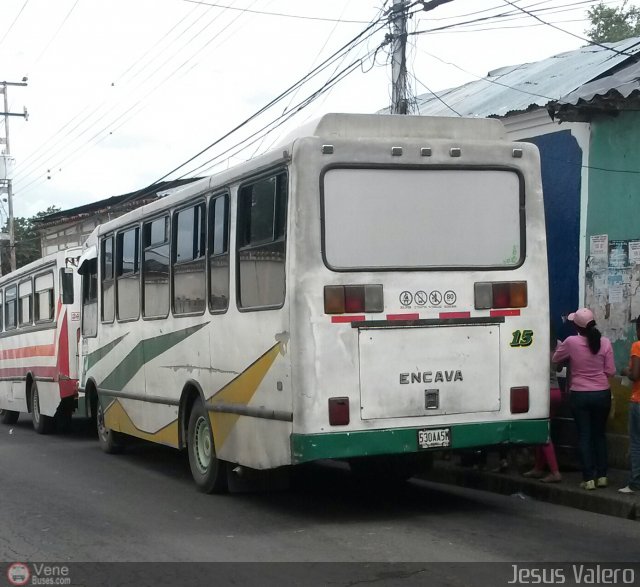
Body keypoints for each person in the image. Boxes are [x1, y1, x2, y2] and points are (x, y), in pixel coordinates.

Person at [552, 308, 615, 490]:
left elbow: (556, 357)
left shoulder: (571, 342)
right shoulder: (605, 343)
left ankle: (588, 478)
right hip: (602, 394)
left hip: (579, 394)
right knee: (599, 435)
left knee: (585, 436)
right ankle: (602, 476)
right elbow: (610, 371)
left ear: (577, 327)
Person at [523, 333, 562, 483]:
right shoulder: (558, 345)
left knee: (543, 432)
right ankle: (538, 468)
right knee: (544, 428)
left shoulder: (536, 344)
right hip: (556, 391)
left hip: (543, 393)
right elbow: (559, 369)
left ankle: (554, 471)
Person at [618, 316, 640, 494]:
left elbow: (634, 375)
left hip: (638, 401)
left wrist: (626, 370)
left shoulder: (637, 346)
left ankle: (635, 482)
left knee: (636, 443)